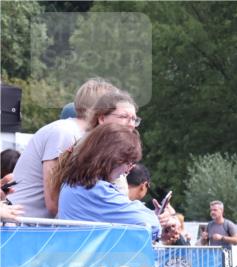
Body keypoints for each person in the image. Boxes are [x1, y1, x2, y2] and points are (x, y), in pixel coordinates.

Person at [8, 78, 117, 218]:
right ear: (102, 111)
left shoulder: (79, 135)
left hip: (33, 226)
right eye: (117, 112)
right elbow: (54, 202)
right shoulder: (65, 132)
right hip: (22, 225)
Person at [53, 124, 157, 239]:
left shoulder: (73, 183)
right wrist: (149, 214)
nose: (128, 170)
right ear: (114, 159)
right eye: (129, 163)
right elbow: (153, 225)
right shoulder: (97, 190)